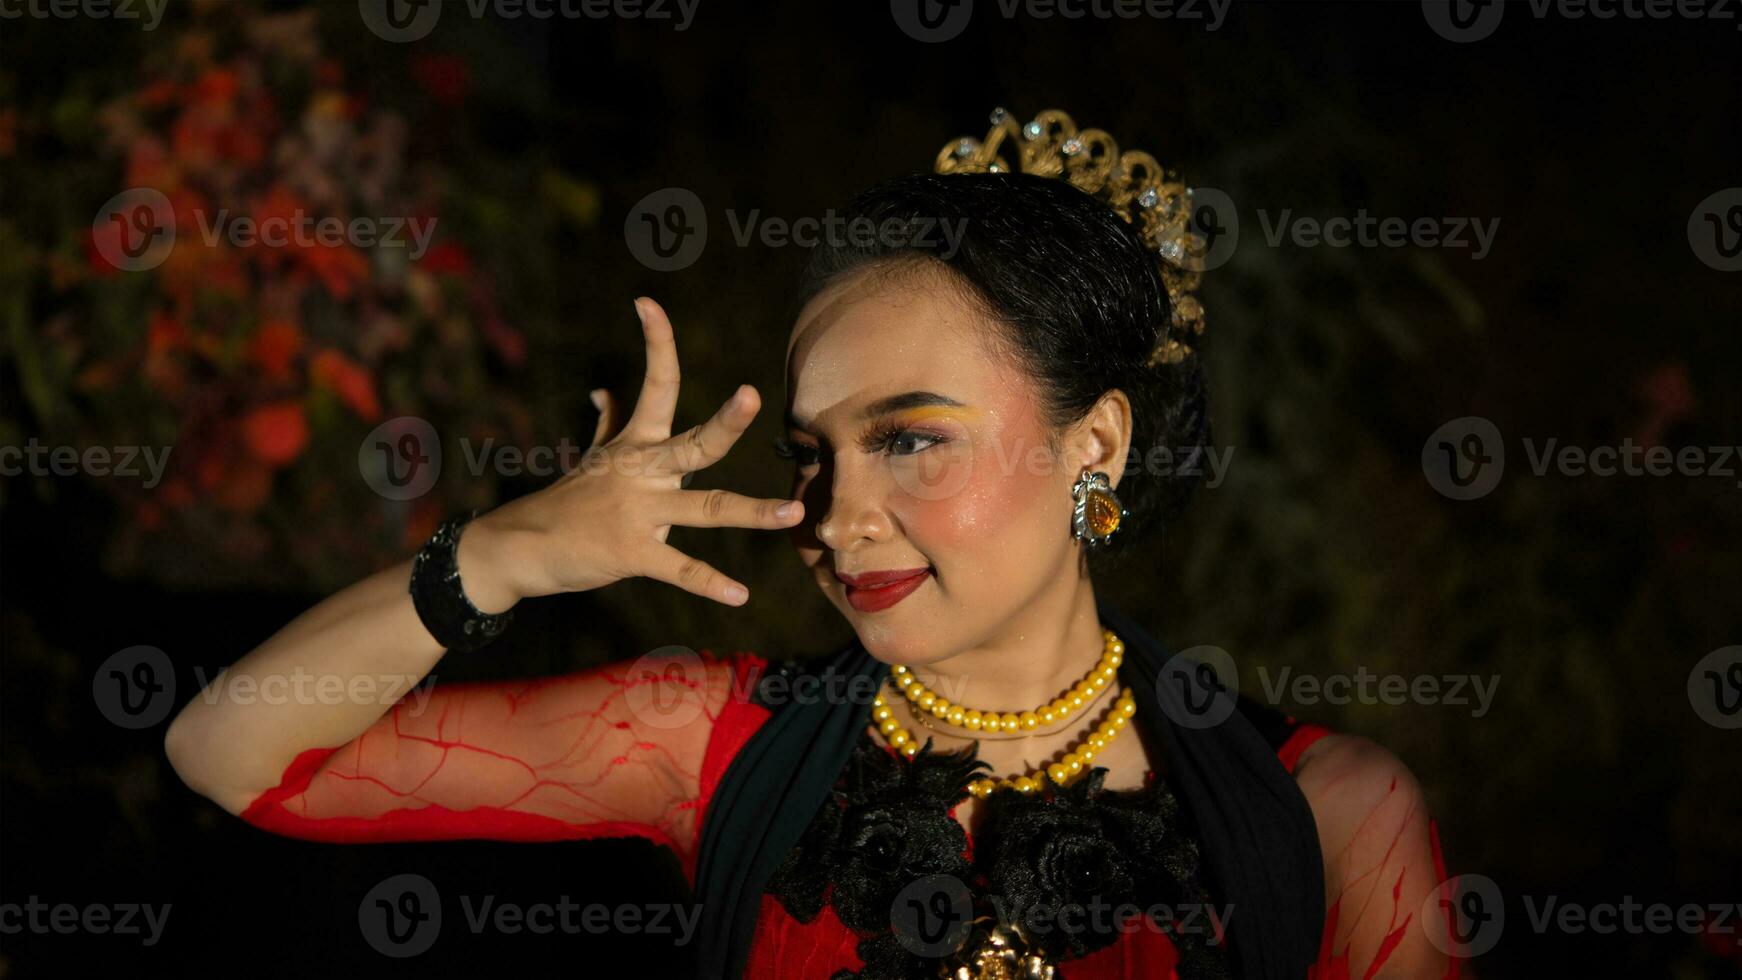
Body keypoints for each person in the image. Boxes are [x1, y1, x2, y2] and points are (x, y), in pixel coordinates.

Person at [165, 108, 1459, 979]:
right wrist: (500, 559)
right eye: (814, 452)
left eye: (909, 439)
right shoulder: (703, 742)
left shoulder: (1328, 813)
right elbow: (230, 751)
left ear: (1093, 445)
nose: (838, 516)